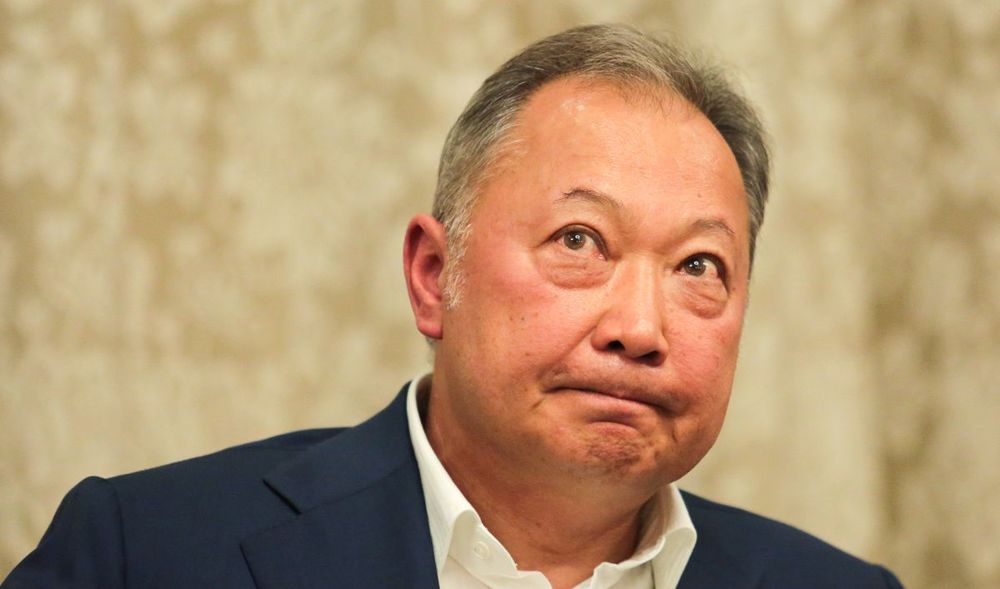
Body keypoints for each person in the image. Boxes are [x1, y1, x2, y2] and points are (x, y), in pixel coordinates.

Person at [3, 24, 904, 589]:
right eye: (580, 241)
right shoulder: (144, 554)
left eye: (699, 264)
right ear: (435, 276)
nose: (640, 328)